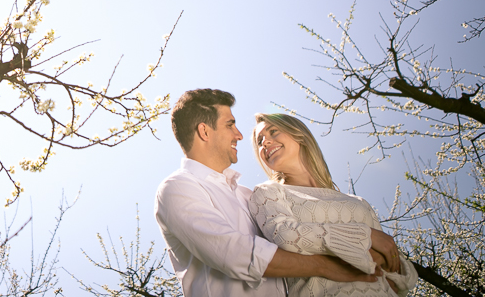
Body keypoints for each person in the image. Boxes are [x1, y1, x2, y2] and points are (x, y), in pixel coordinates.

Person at [155, 89, 381, 297]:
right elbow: (236, 253)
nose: (239, 135)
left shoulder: (247, 196)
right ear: (204, 131)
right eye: (230, 125)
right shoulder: (177, 188)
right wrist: (328, 266)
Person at [250, 113, 418, 297]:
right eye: (259, 141)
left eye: (273, 132)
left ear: (298, 134)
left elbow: (397, 271)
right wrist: (365, 236)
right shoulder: (268, 193)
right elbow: (286, 236)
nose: (265, 142)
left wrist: (383, 261)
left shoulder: (358, 203)